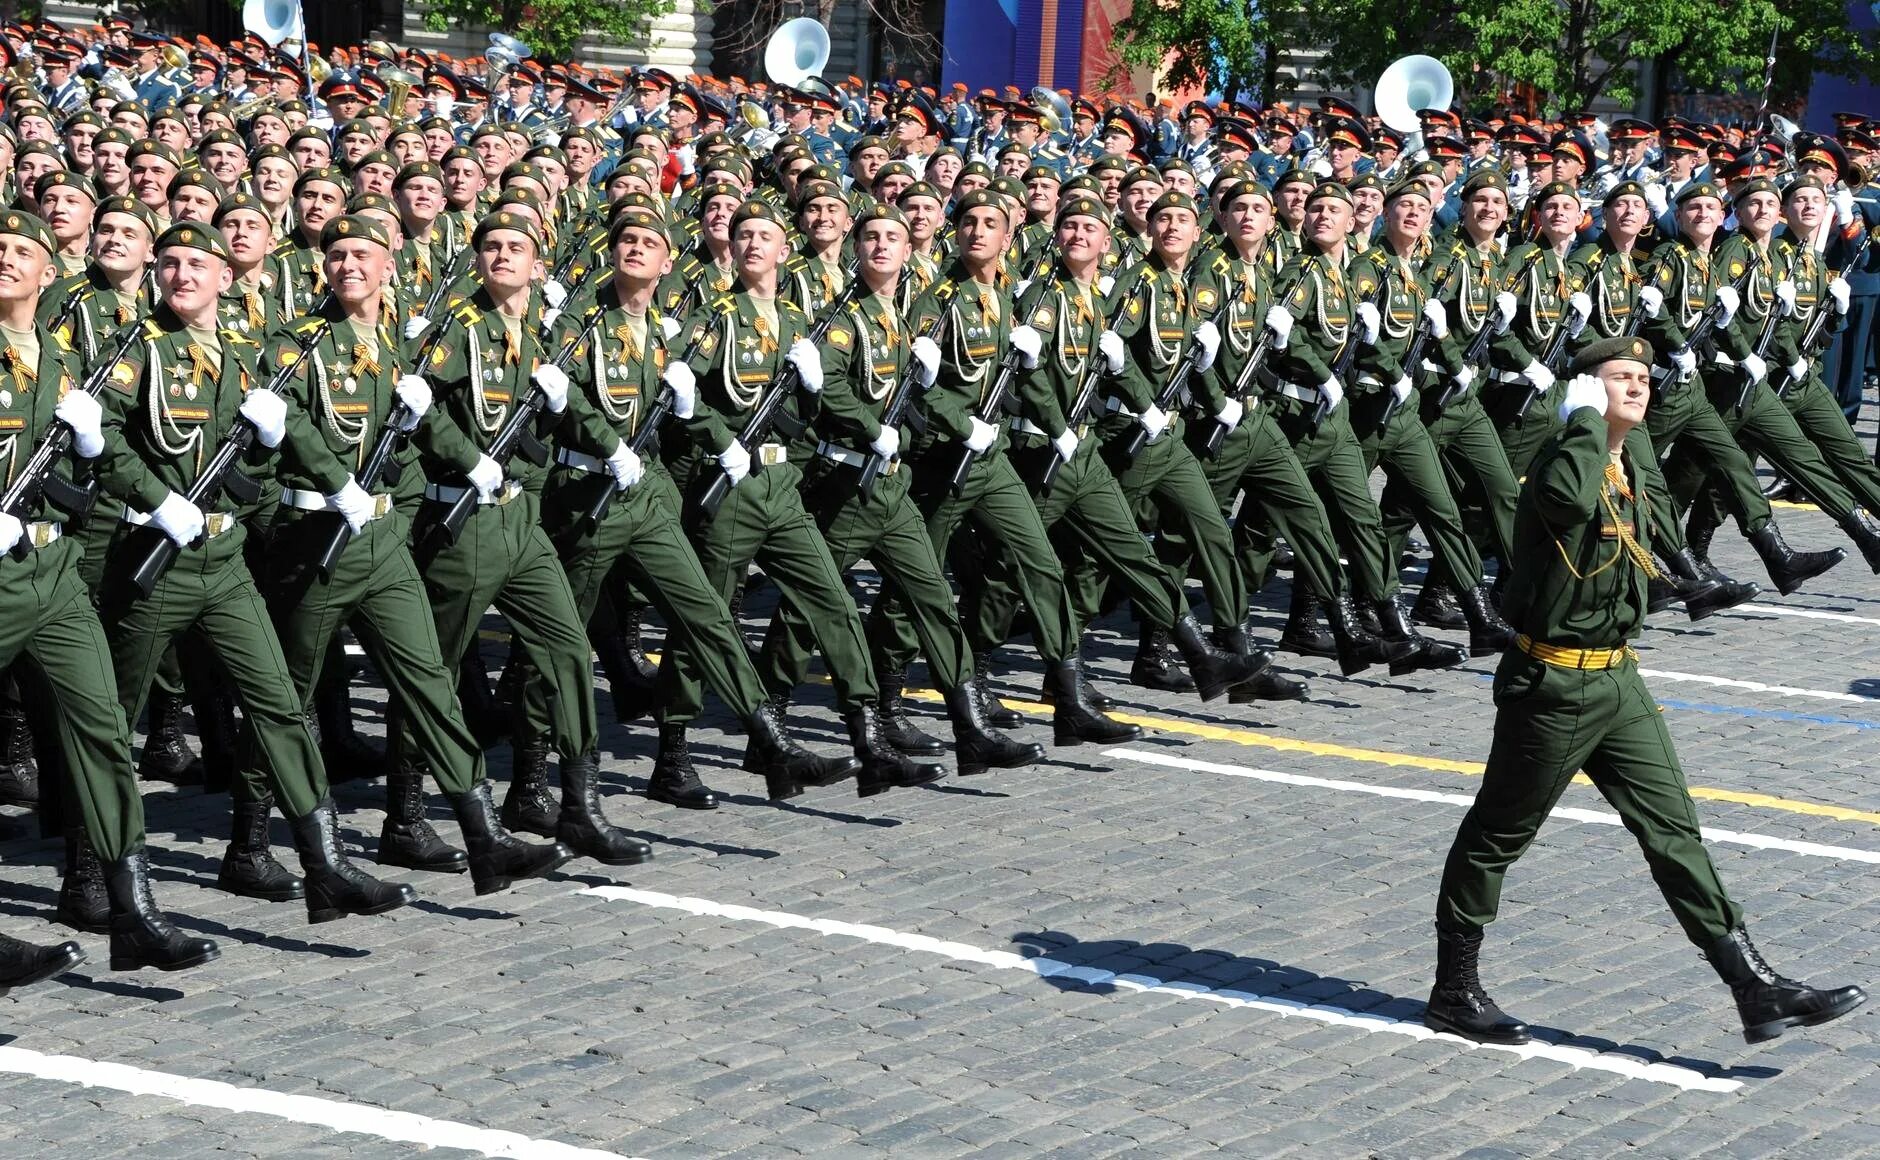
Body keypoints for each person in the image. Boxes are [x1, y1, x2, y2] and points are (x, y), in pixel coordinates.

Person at [1426, 334, 1867, 1047]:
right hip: (1555, 683)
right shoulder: (1563, 457)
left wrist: (1625, 443)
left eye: (1640, 378)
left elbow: (1663, 531)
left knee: (1674, 831)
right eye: (1617, 379)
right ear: (1586, 394)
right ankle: (1454, 989)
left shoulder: (1629, 461)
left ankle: (1753, 985)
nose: (1636, 387)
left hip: (1618, 677)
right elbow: (1569, 506)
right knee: (1496, 837)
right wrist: (1582, 423)